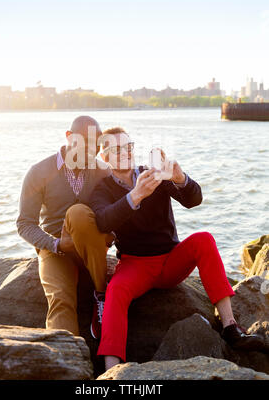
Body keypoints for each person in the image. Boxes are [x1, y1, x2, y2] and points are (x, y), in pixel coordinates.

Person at [89, 126, 264, 372]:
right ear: (105, 157)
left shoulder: (153, 174)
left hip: (171, 260)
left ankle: (230, 326)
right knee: (115, 289)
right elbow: (103, 221)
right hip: (134, 264)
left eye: (128, 147)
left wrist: (180, 178)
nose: (125, 153)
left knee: (204, 238)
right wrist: (135, 196)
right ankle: (112, 368)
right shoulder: (102, 189)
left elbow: (194, 200)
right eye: (116, 150)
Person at [16, 115, 114, 339]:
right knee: (60, 298)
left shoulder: (103, 171)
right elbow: (24, 224)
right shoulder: (39, 172)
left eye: (96, 145)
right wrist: (56, 244)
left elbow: (116, 214)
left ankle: (101, 294)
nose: (91, 151)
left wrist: (109, 238)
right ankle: (68, 359)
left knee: (78, 213)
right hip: (54, 249)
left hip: (93, 245)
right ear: (69, 137)